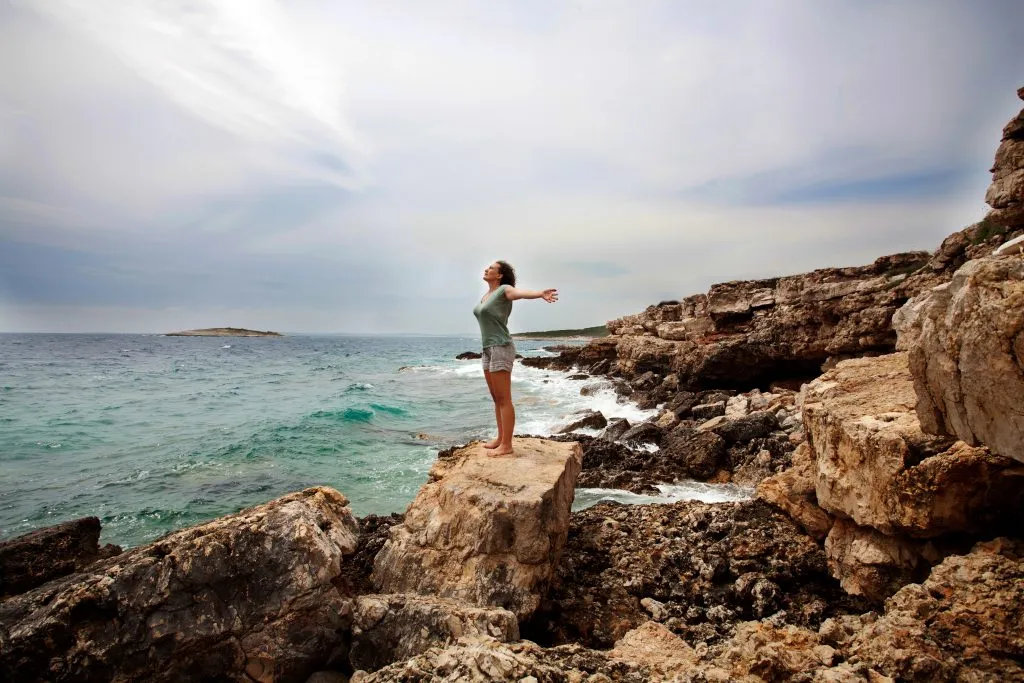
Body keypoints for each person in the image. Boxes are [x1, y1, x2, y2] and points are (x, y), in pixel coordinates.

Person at [472, 260, 558, 456]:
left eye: (491, 268)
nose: (486, 269)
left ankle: (507, 445)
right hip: (487, 348)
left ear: (500, 275)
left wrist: (539, 294)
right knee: (496, 398)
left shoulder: (504, 290)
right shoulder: (487, 295)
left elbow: (519, 294)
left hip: (501, 346)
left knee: (504, 398)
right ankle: (501, 438)